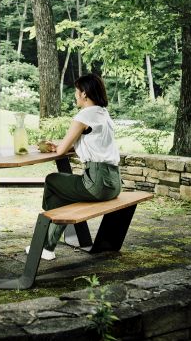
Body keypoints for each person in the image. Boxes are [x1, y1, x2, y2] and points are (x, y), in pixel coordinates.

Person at [26, 73, 121, 261]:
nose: (75, 95)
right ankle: (47, 244)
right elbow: (84, 142)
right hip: (114, 183)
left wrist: (58, 146)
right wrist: (61, 146)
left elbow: (62, 150)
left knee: (52, 181)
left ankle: (47, 232)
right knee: (63, 192)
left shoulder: (84, 115)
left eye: (77, 91)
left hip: (96, 184)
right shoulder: (102, 113)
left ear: (84, 93)